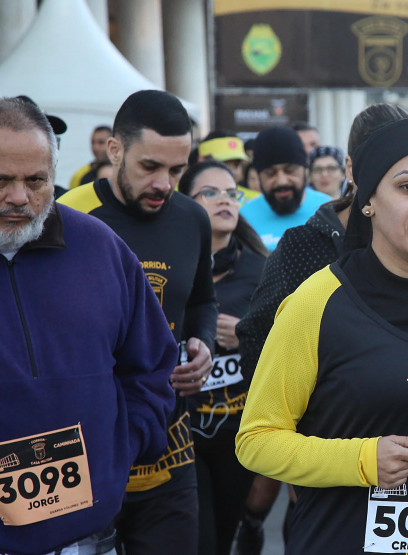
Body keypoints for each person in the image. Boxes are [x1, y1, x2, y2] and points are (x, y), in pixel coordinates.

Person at [232, 103, 408, 554]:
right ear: (368, 199)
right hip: (338, 538)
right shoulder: (315, 301)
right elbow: (256, 442)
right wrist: (361, 460)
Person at [0, 97, 176, 553]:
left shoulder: (100, 249)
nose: (20, 197)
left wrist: (121, 448)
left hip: (87, 539)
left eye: (37, 180)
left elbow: (151, 366)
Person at [59, 90, 216, 555]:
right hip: (86, 448)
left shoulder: (192, 219)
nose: (165, 184)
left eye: (177, 170)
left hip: (172, 445)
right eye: (150, 167)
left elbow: (204, 300)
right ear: (114, 150)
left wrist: (203, 343)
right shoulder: (68, 216)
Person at [176, 160, 267, 555]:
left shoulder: (261, 268)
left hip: (238, 429)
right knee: (200, 540)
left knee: (224, 535)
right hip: (180, 429)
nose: (225, 200)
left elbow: (289, 346)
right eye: (210, 193)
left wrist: (246, 336)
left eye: (232, 193)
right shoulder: (171, 265)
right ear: (186, 203)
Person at [239, 126, 332, 250]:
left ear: (305, 170)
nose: (282, 181)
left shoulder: (331, 211)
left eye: (290, 171)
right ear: (259, 176)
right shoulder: (243, 219)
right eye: (271, 173)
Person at [196, 133, 259, 205]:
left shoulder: (255, 201)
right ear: (201, 160)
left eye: (237, 164)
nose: (233, 171)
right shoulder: (183, 196)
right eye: (225, 164)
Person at [68, 125, 112, 189]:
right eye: (93, 142)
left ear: (112, 144)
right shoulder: (80, 174)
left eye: (101, 142)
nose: (95, 147)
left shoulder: (124, 172)